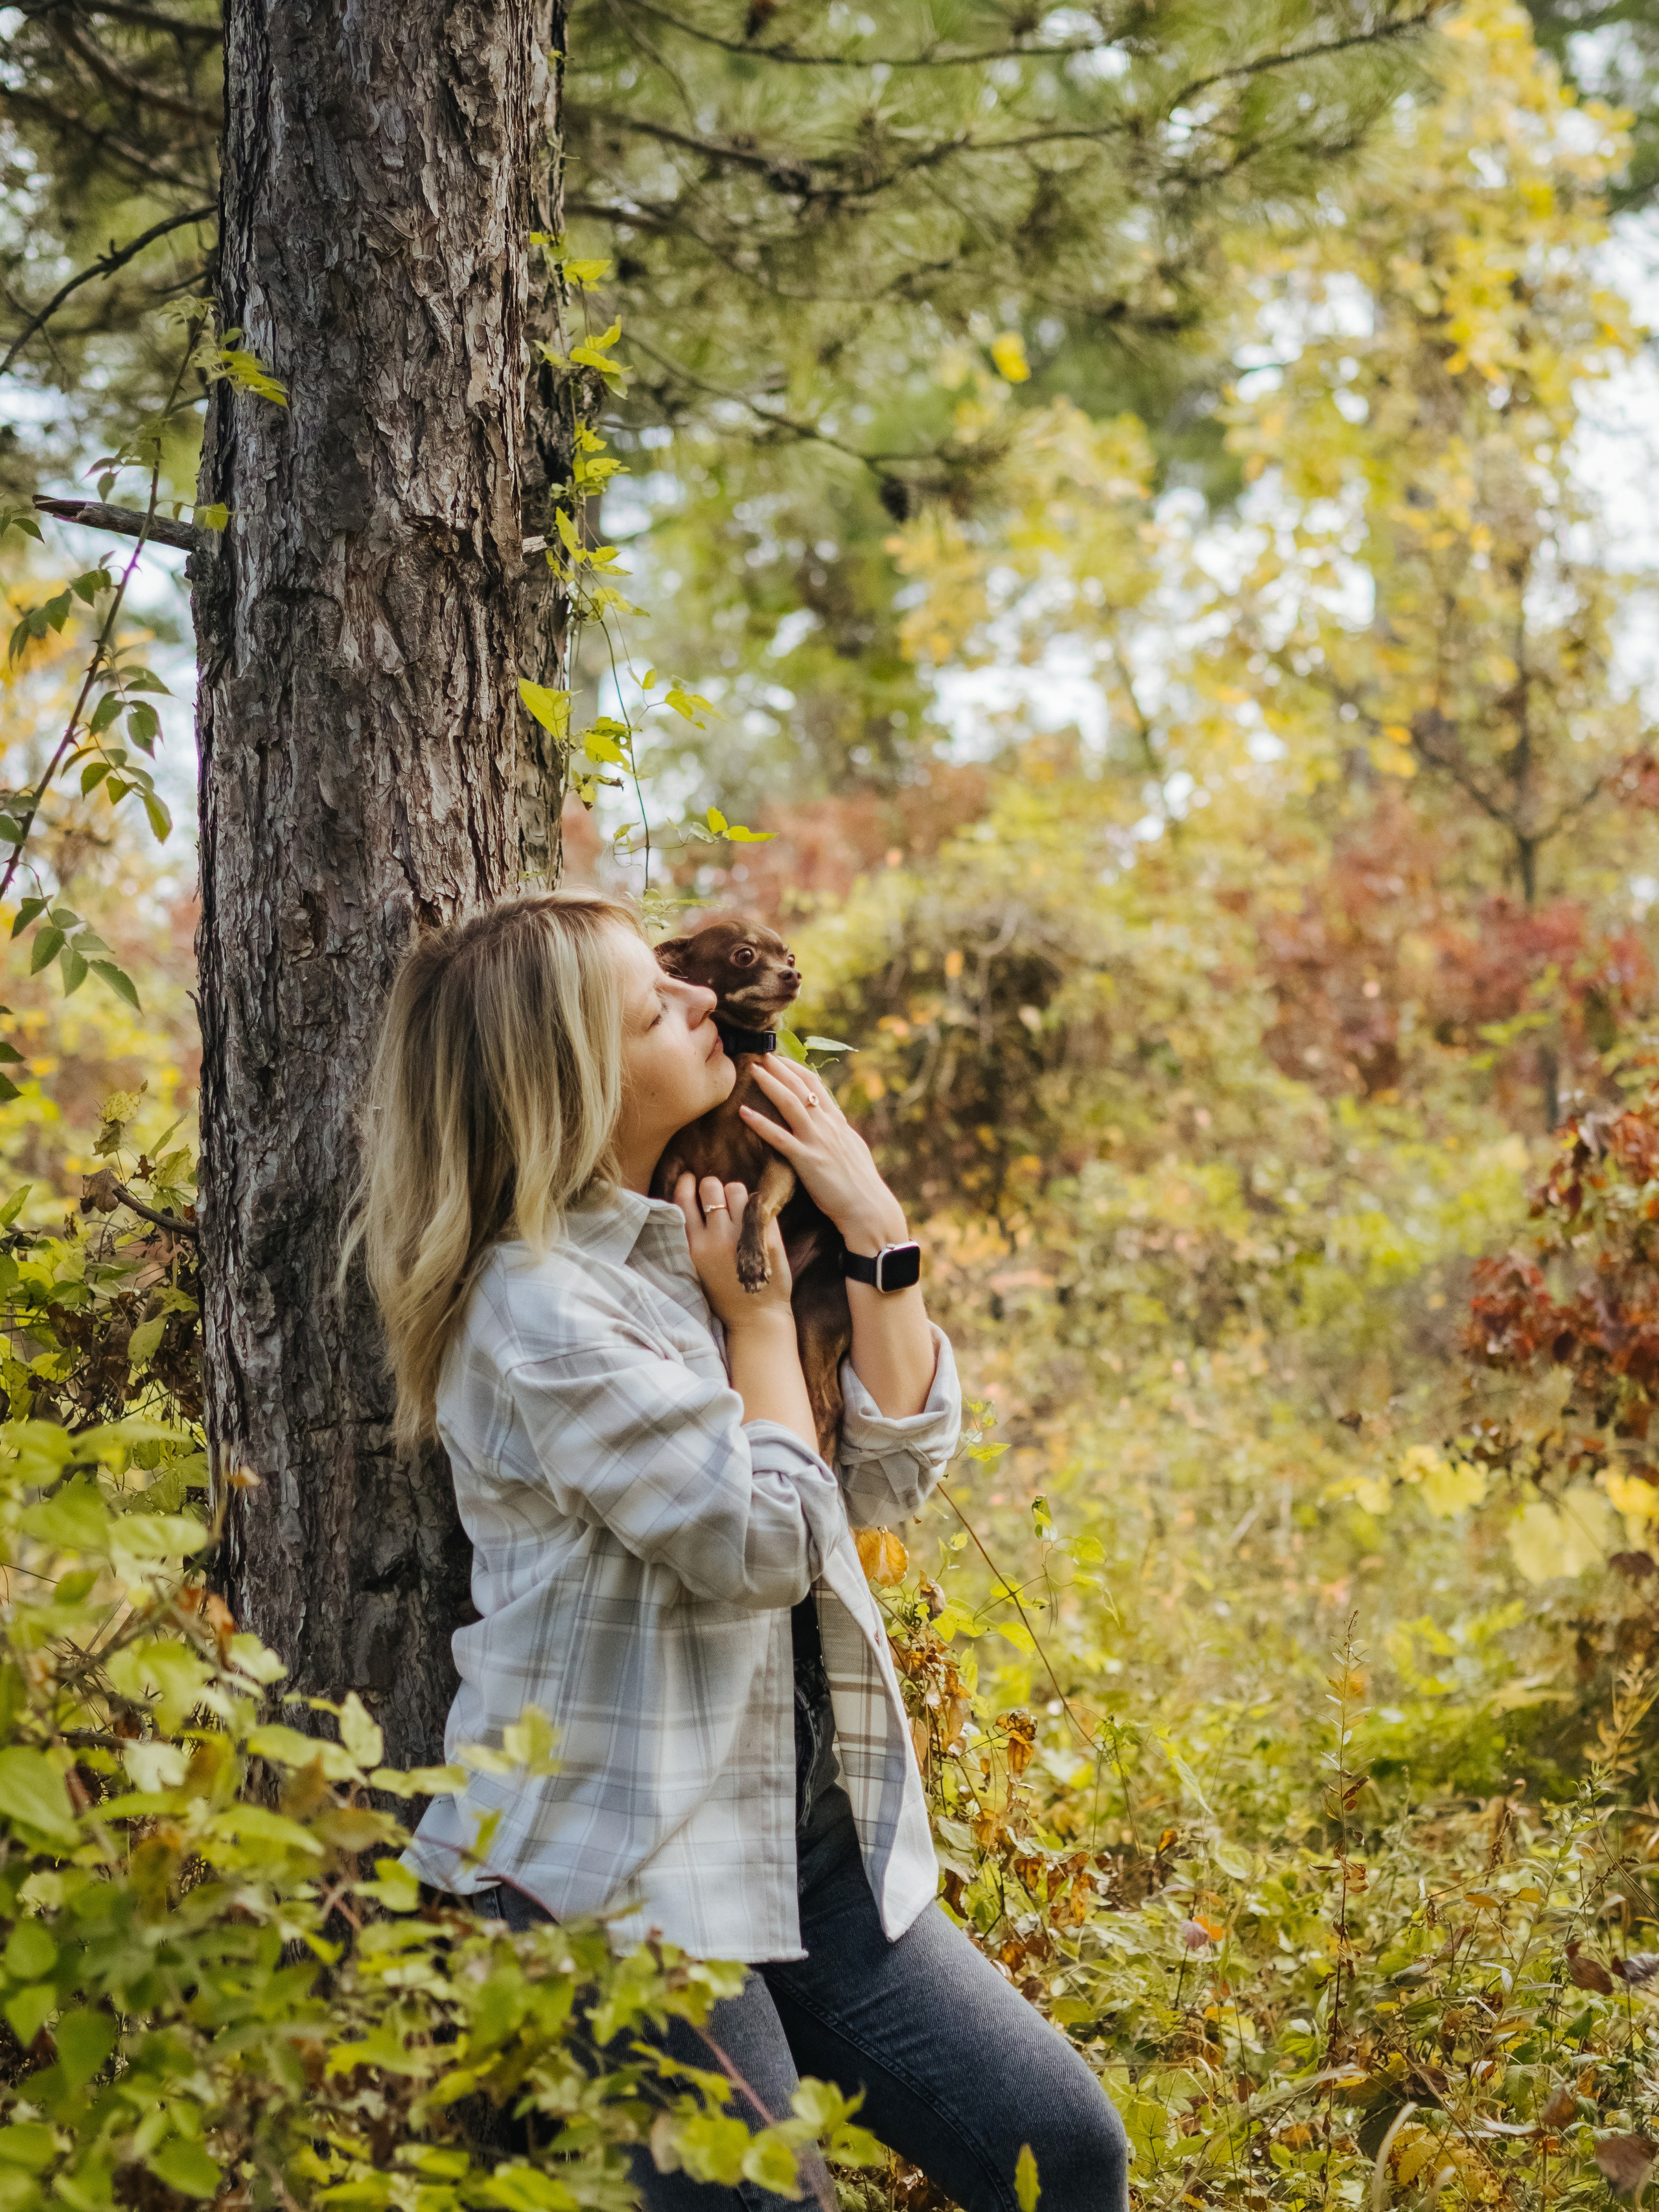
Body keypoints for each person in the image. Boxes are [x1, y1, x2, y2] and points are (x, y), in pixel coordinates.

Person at [348, 889, 1129, 2212]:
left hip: (799, 1838)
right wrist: (759, 1333)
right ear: (577, 1083)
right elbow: (767, 1542)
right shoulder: (539, 1308)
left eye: (676, 976)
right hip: (620, 1875)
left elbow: (876, 1481)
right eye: (658, 1005)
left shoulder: (691, 1238)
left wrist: (875, 1238)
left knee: (1059, 2152)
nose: (703, 1001)